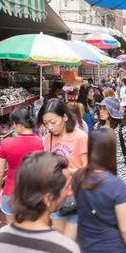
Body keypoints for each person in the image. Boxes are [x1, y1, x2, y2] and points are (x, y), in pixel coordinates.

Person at [42, 98, 88, 239]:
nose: (49, 127)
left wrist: (66, 172)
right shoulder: (47, 138)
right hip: (55, 196)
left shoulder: (80, 137)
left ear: (65, 117)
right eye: (45, 123)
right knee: (60, 240)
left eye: (53, 122)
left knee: (68, 242)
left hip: (75, 196)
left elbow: (87, 170)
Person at [0, 106, 44, 223]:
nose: (13, 126)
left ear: (20, 125)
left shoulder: (6, 143)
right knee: (32, 227)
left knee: (12, 229)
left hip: (11, 191)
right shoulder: (42, 142)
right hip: (34, 192)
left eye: (14, 123)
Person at [95, 97, 126, 192]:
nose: (100, 111)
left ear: (112, 111)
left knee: (119, 204)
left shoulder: (123, 130)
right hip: (101, 171)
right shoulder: (97, 126)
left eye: (104, 109)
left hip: (119, 172)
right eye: (100, 108)